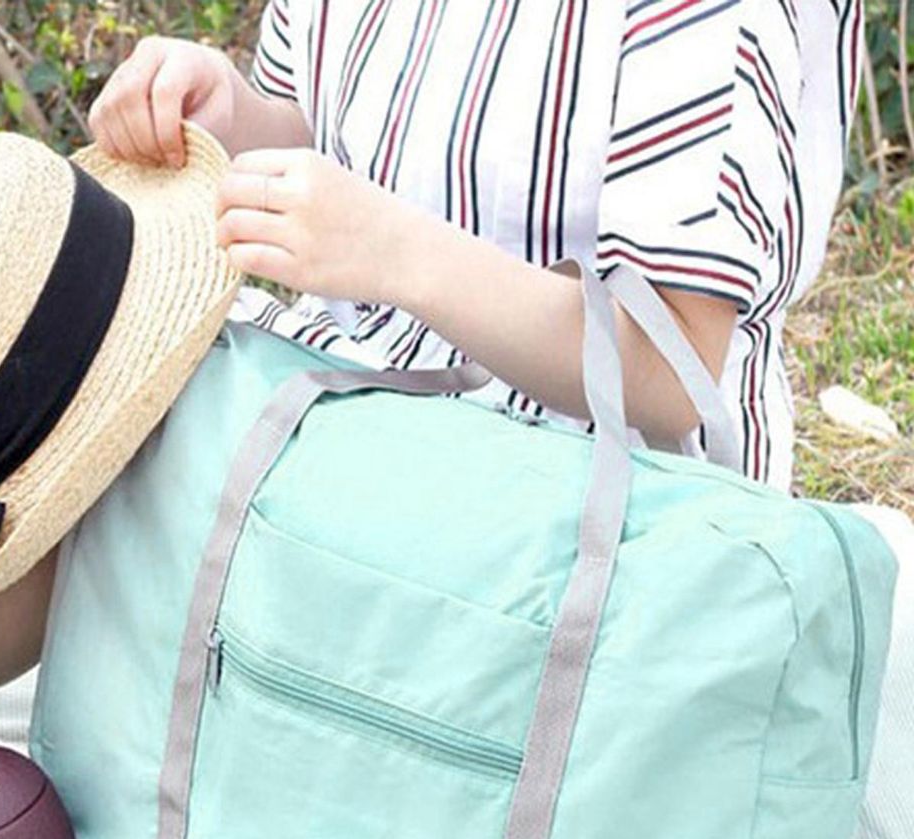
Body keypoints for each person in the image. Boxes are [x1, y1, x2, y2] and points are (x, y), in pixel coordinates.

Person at [87, 0, 862, 487]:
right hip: (342, 424)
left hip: (597, 515)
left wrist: (397, 253)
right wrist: (228, 115)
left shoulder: (712, 15)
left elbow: (672, 377)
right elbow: (323, 136)